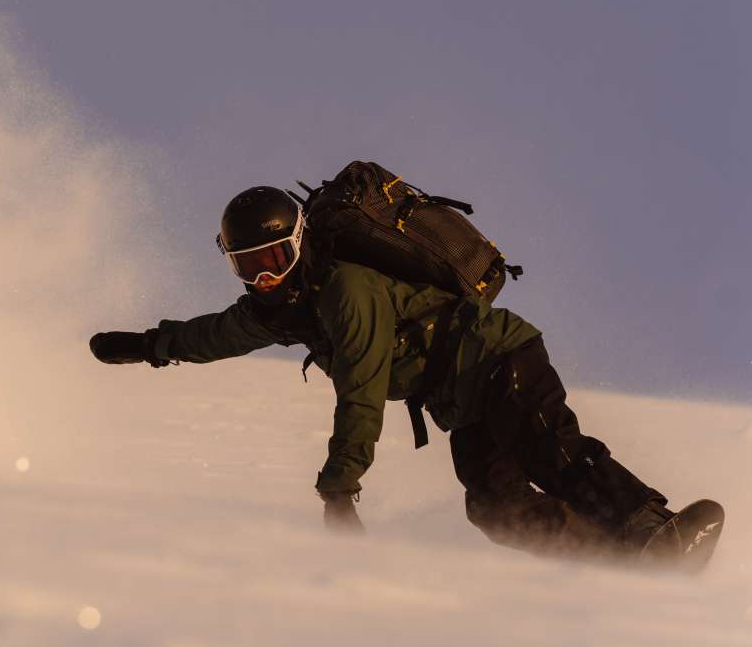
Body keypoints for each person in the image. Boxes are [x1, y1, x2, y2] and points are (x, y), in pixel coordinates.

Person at [89, 185, 717, 563]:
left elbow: (361, 388)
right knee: (495, 509)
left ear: (301, 244)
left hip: (497, 358)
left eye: (276, 258)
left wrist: (340, 489)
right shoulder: (284, 309)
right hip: (464, 401)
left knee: (551, 452)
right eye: (250, 266)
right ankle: (612, 563)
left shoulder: (346, 291)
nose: (266, 278)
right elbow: (216, 335)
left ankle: (654, 530)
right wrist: (151, 346)